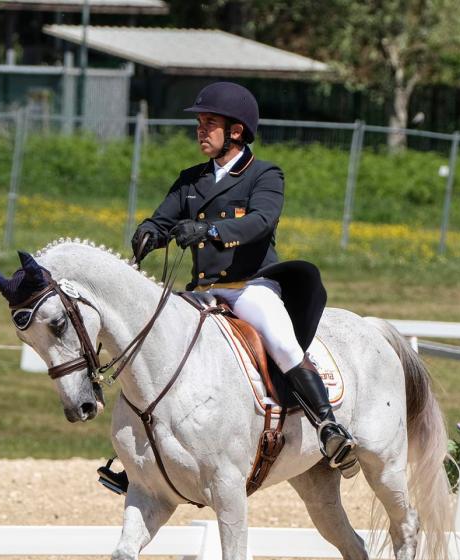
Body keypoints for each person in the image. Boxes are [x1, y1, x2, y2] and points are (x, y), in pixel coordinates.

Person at [129, 81, 359, 477]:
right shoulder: (190, 179)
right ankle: (139, 449)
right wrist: (149, 230)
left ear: (236, 131)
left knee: (283, 342)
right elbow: (163, 218)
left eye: (210, 123)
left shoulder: (266, 175)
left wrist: (211, 231)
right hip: (201, 293)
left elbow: (260, 221)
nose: (201, 130)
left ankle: (328, 425)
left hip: (250, 286)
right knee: (154, 344)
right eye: (199, 123)